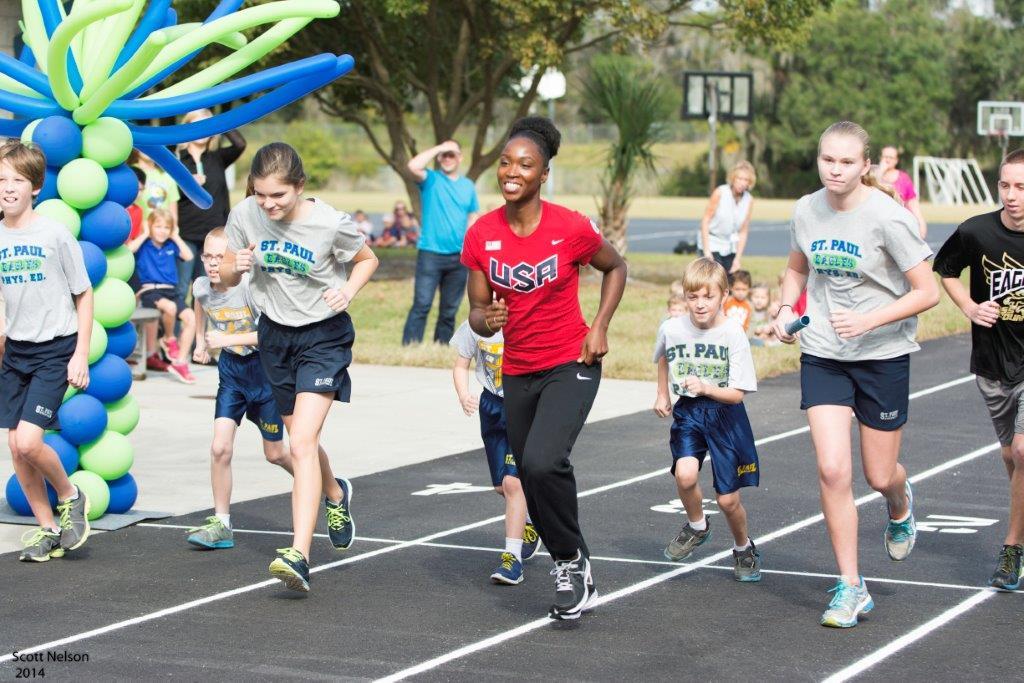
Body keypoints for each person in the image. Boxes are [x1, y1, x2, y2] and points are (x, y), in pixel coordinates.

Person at [772, 121, 939, 628]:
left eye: (846, 162)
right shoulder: (806, 209)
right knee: (831, 469)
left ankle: (899, 500)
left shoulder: (888, 217)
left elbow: (926, 292)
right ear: (818, 159)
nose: (835, 170)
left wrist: (869, 320)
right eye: (828, 160)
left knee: (878, 474)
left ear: (865, 165)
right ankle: (851, 585)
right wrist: (784, 307)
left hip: (882, 355)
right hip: (824, 352)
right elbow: (798, 268)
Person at [461, 116, 627, 620]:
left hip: (570, 361)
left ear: (544, 173)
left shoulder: (569, 227)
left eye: (525, 164)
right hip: (518, 369)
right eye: (506, 163)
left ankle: (572, 564)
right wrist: (486, 318)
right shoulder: (482, 234)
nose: (513, 172)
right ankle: (570, 557)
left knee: (541, 461)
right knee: (532, 477)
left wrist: (598, 327)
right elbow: (476, 314)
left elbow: (615, 267)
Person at [220, 142, 377, 592]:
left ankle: (299, 554)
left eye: (279, 197)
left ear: (299, 187)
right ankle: (335, 493)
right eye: (261, 194)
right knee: (301, 441)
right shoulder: (245, 214)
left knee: (301, 441)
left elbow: (367, 260)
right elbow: (228, 271)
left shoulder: (329, 223)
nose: (268, 204)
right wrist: (238, 267)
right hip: (275, 336)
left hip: (323, 337)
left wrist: (348, 291)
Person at [933, 149, 1024, 589]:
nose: (1012, 195)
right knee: (1011, 456)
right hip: (991, 363)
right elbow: (945, 269)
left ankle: (1011, 549)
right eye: (1005, 185)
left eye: (1021, 187)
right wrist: (969, 306)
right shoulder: (976, 231)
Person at [0, 140, 91, 562]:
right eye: (1, 179)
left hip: (56, 350)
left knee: (31, 440)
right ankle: (48, 529)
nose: (7, 187)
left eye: (17, 180)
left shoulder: (54, 233)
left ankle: (71, 495)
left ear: (35, 186)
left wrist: (80, 355)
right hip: (15, 352)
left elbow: (84, 293)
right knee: (15, 447)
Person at [653, 257, 762, 581]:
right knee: (685, 476)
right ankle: (698, 526)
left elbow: (738, 394)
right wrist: (662, 393)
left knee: (728, 500)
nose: (700, 305)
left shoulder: (732, 333)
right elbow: (662, 357)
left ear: (724, 296)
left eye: (708, 297)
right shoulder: (671, 328)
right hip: (689, 412)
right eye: (693, 297)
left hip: (725, 415)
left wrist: (707, 387)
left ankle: (743, 548)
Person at [187, 228, 293, 549]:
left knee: (274, 454)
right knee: (220, 448)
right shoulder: (202, 286)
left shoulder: (249, 288)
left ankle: (317, 478)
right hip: (232, 373)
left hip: (265, 373)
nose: (213, 264)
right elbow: (199, 307)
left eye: (221, 257)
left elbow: (271, 336)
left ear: (235, 259)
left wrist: (225, 340)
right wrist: (199, 343)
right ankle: (222, 524)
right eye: (208, 256)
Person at [450, 320, 540, 584]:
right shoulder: (475, 326)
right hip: (491, 406)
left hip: (521, 405)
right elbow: (460, 365)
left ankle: (512, 560)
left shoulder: (524, 322)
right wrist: (464, 394)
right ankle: (532, 522)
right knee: (502, 487)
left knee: (513, 483)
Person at [402, 140, 479, 345]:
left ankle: (442, 345)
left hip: (458, 257)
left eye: (452, 154)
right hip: (430, 253)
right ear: (438, 158)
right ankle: (410, 345)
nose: (447, 158)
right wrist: (439, 147)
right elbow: (412, 167)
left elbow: (472, 215)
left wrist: (468, 245)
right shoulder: (431, 179)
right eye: (444, 155)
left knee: (449, 309)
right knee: (422, 304)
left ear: (460, 158)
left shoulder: (468, 186)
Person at [175, 109, 247, 306]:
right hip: (185, 232)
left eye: (207, 127)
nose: (203, 131)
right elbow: (170, 194)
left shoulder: (217, 157)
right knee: (181, 289)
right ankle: (179, 336)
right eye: (198, 125)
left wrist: (219, 122)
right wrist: (188, 185)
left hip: (213, 235)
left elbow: (240, 144)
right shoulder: (178, 159)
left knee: (205, 288)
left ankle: (199, 334)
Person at [127, 209, 197, 383]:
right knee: (170, 307)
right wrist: (145, 233)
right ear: (150, 226)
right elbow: (129, 249)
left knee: (191, 318)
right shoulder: (145, 244)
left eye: (167, 228)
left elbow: (189, 256)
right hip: (150, 291)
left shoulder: (171, 245)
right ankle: (169, 338)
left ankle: (180, 361)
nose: (162, 231)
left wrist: (175, 236)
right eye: (158, 227)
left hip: (170, 291)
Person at [700, 160, 755, 274]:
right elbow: (705, 221)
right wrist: (707, 251)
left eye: (746, 180)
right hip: (712, 243)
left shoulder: (749, 200)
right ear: (733, 178)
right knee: (713, 281)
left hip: (730, 246)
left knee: (729, 283)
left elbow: (743, 231)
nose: (742, 183)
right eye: (739, 178)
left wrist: (737, 259)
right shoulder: (720, 192)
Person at [875, 146, 927, 239]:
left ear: (896, 160)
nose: (887, 160)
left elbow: (913, 204)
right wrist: (881, 172)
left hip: (898, 227)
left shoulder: (904, 178)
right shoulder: (873, 175)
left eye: (890, 157)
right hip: (877, 226)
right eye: (885, 157)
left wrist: (921, 224)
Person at [131, 149, 179, 223]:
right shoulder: (129, 172)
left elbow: (173, 211)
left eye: (153, 145)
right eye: (146, 145)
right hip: (135, 229)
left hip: (162, 230)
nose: (150, 148)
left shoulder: (168, 175)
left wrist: (173, 229)